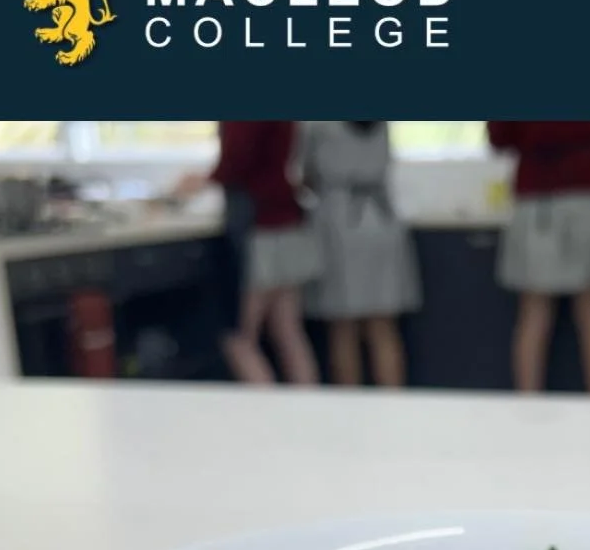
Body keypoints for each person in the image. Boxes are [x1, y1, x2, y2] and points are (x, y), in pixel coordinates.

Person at [175, 121, 320, 386]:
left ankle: (267, 419)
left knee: (239, 338)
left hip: (259, 231)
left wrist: (201, 180)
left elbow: (236, 160)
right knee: (288, 331)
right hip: (288, 223)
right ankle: (308, 416)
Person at [487, 121, 590, 393]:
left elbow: (499, 137)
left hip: (538, 198)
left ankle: (528, 408)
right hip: (588, 195)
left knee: (534, 313)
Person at [298, 121, 420, 387]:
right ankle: (393, 405)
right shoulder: (381, 123)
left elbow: (306, 174)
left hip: (340, 224)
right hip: (381, 219)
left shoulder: (318, 125)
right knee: (383, 327)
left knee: (344, 329)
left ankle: (350, 412)